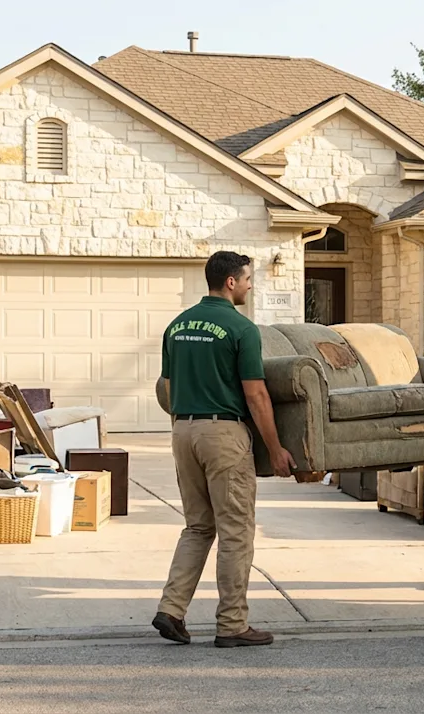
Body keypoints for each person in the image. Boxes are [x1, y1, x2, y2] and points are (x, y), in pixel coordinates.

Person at [151, 250, 297, 648]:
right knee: (235, 531)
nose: (250, 286)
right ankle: (232, 624)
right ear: (231, 282)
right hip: (222, 434)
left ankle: (171, 609)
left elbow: (167, 387)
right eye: (248, 279)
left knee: (198, 527)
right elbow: (256, 395)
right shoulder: (241, 328)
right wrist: (276, 448)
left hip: (183, 430)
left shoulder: (177, 326)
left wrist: (186, 421)